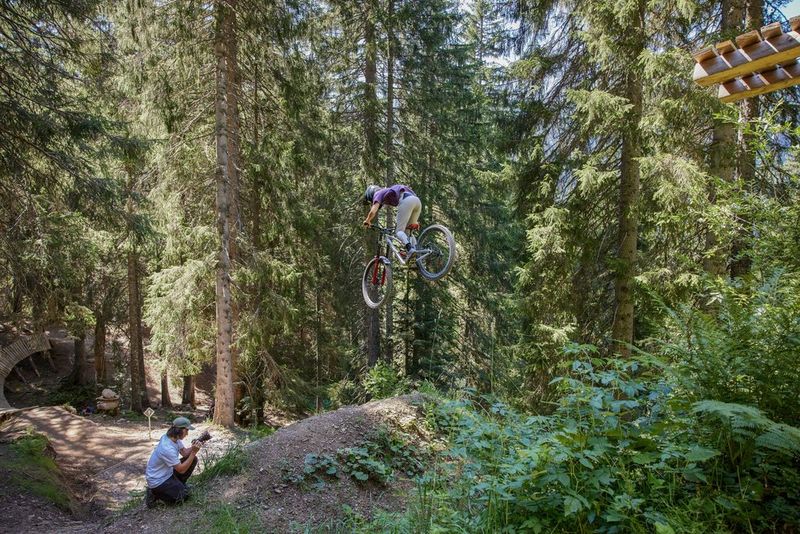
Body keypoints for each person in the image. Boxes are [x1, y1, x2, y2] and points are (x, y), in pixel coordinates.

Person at [144, 416, 203, 508]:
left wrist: (196, 445)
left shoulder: (174, 438)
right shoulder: (167, 447)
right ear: (179, 430)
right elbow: (181, 470)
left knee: (193, 459)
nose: (187, 434)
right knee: (183, 497)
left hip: (168, 473)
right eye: (186, 430)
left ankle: (180, 485)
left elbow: (184, 453)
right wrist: (194, 452)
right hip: (158, 480)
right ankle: (154, 494)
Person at [363, 184, 422, 255]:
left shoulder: (378, 193)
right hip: (417, 202)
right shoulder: (389, 191)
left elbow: (373, 211)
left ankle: (410, 249)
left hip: (406, 201)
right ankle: (417, 254)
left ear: (371, 194)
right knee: (408, 232)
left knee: (399, 231)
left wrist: (367, 220)